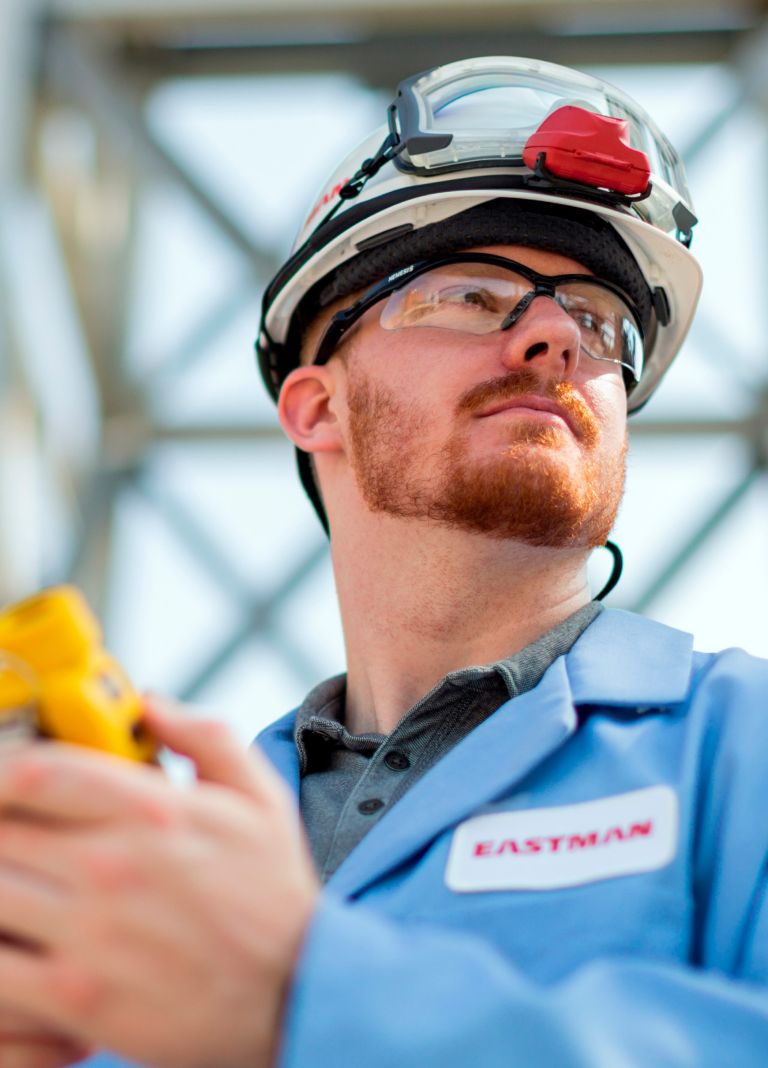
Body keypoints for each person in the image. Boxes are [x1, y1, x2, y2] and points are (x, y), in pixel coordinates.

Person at [0, 55, 766, 1068]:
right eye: (472, 292)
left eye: (597, 318)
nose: (555, 335)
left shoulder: (740, 743)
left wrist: (301, 998)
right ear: (317, 408)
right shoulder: (184, 854)